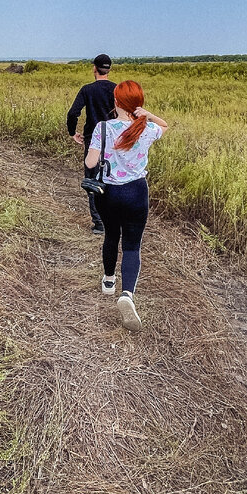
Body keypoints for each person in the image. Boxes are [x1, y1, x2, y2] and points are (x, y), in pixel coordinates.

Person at [85, 80, 168, 331]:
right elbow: (165, 125)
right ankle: (127, 295)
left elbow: (91, 163)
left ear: (116, 102)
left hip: (109, 193)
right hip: (136, 192)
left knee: (111, 235)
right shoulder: (148, 129)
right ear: (138, 104)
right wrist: (147, 114)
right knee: (132, 246)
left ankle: (109, 281)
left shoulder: (103, 128)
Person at [67, 54, 116, 234]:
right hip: (114, 138)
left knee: (93, 178)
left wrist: (73, 132)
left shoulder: (87, 90)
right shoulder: (117, 89)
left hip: (93, 139)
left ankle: (99, 223)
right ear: (109, 70)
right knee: (113, 177)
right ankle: (113, 219)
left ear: (94, 68)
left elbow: (73, 113)